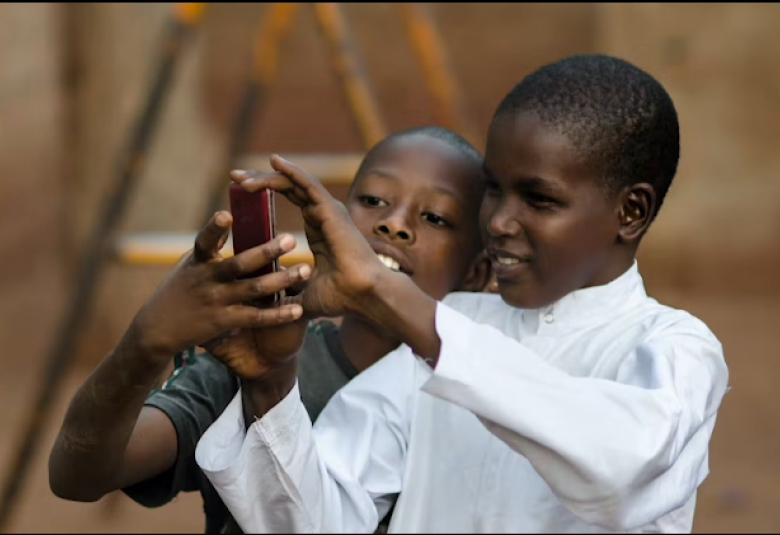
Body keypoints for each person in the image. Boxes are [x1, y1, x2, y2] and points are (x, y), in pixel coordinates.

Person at [195, 54, 730, 533]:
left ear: (630, 212)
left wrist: (387, 295)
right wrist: (269, 384)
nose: (497, 220)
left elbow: (621, 472)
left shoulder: (676, 350)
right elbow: (314, 521)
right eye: (494, 188)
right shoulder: (448, 329)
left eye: (539, 200)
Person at [48, 126, 491, 534]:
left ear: (476, 270)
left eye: (435, 217)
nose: (394, 224)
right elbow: (78, 475)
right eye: (373, 200)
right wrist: (145, 343)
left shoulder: (492, 394)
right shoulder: (256, 357)